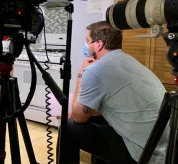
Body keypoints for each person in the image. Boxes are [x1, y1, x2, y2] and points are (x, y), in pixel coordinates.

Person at [59, 21, 168, 164]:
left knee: (68, 128)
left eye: (87, 41)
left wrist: (81, 73)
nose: (86, 45)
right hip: (163, 146)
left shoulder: (95, 70)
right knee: (93, 118)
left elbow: (78, 116)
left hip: (143, 154)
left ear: (99, 44)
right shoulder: (128, 60)